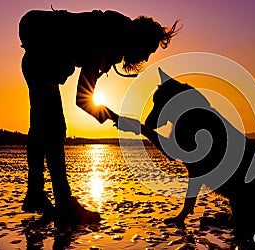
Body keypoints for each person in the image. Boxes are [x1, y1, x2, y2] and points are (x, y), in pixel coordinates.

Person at [19, 7, 179, 225]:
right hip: (41, 59)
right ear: (139, 40)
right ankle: (61, 203)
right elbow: (83, 99)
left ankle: (36, 194)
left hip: (36, 59)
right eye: (148, 50)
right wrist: (118, 119)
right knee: (54, 129)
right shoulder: (107, 39)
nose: (146, 57)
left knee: (41, 127)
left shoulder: (112, 33)